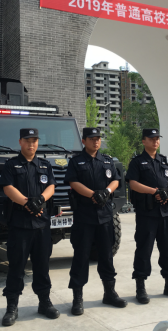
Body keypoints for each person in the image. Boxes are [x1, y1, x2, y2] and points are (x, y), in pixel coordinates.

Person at [0, 128, 59, 326]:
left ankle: (44, 302)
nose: (31, 144)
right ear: (20, 142)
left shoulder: (44, 165)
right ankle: (12, 307)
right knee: (16, 267)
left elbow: (51, 186)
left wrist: (40, 200)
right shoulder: (11, 165)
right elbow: (8, 188)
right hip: (20, 224)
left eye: (34, 141)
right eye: (27, 140)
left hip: (41, 224)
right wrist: (27, 203)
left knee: (42, 266)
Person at [64, 128, 127, 316]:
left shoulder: (107, 160)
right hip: (84, 216)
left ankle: (110, 293)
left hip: (105, 215)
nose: (96, 141)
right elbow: (73, 182)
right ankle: (77, 298)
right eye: (91, 139)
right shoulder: (76, 161)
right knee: (81, 257)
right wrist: (93, 194)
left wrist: (106, 192)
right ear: (84, 141)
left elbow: (116, 180)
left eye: (98, 138)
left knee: (106, 256)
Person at [127, 128, 168, 305]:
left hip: (165, 213)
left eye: (157, 139)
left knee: (167, 250)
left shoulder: (164, 160)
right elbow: (132, 184)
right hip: (147, 213)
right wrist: (154, 192)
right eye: (152, 138)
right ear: (143, 141)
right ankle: (140, 287)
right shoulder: (137, 162)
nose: (155, 141)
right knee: (144, 251)